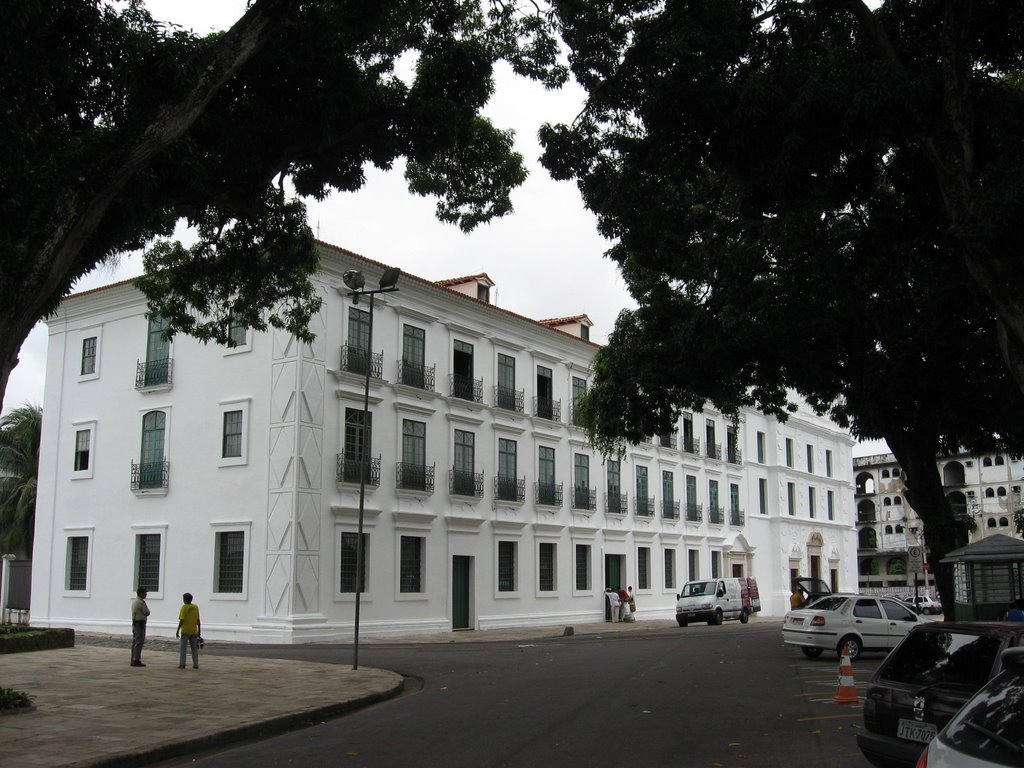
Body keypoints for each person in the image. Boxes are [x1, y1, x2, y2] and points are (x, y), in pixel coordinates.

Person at [176, 592, 202, 669]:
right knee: (194, 648)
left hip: (185, 630)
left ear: (184, 600)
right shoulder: (195, 607)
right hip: (194, 630)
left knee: (183, 648)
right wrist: (199, 630)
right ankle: (196, 664)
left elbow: (182, 620)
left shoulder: (184, 607)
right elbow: (198, 620)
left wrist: (178, 630)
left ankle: (182, 664)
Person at [130, 588, 149, 667]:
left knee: (135, 642)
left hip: (135, 622)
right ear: (141, 593)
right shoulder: (141, 602)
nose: (146, 594)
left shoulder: (135, 601)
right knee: (139, 642)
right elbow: (146, 612)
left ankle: (133, 658)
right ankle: (136, 659)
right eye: (145, 593)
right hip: (140, 623)